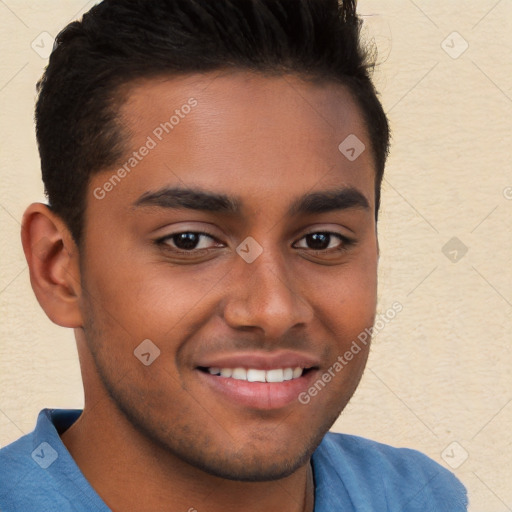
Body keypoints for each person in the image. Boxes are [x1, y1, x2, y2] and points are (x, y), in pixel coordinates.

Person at [0, 0, 468, 510]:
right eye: (189, 241)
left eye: (321, 240)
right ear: (58, 269)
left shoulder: (417, 497)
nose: (274, 310)